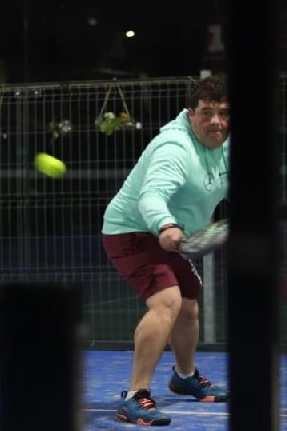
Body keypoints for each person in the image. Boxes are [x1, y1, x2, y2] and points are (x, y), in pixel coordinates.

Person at [102, 75, 230, 426]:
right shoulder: (173, 147)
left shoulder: (227, 146)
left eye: (223, 113)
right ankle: (134, 396)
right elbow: (152, 195)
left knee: (189, 304)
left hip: (174, 233)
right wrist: (165, 225)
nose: (216, 121)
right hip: (131, 229)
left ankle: (184, 377)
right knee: (168, 301)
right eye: (207, 113)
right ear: (191, 115)